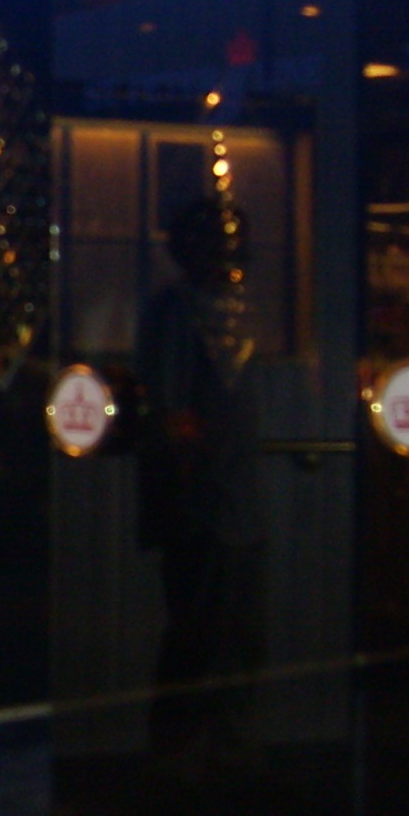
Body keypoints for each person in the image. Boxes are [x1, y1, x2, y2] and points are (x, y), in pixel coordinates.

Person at [135, 195, 268, 780]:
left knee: (237, 634)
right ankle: (181, 753)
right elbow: (172, 414)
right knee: (199, 634)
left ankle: (224, 748)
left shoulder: (223, 311)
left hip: (233, 500)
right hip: (207, 505)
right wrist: (190, 491)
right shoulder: (178, 311)